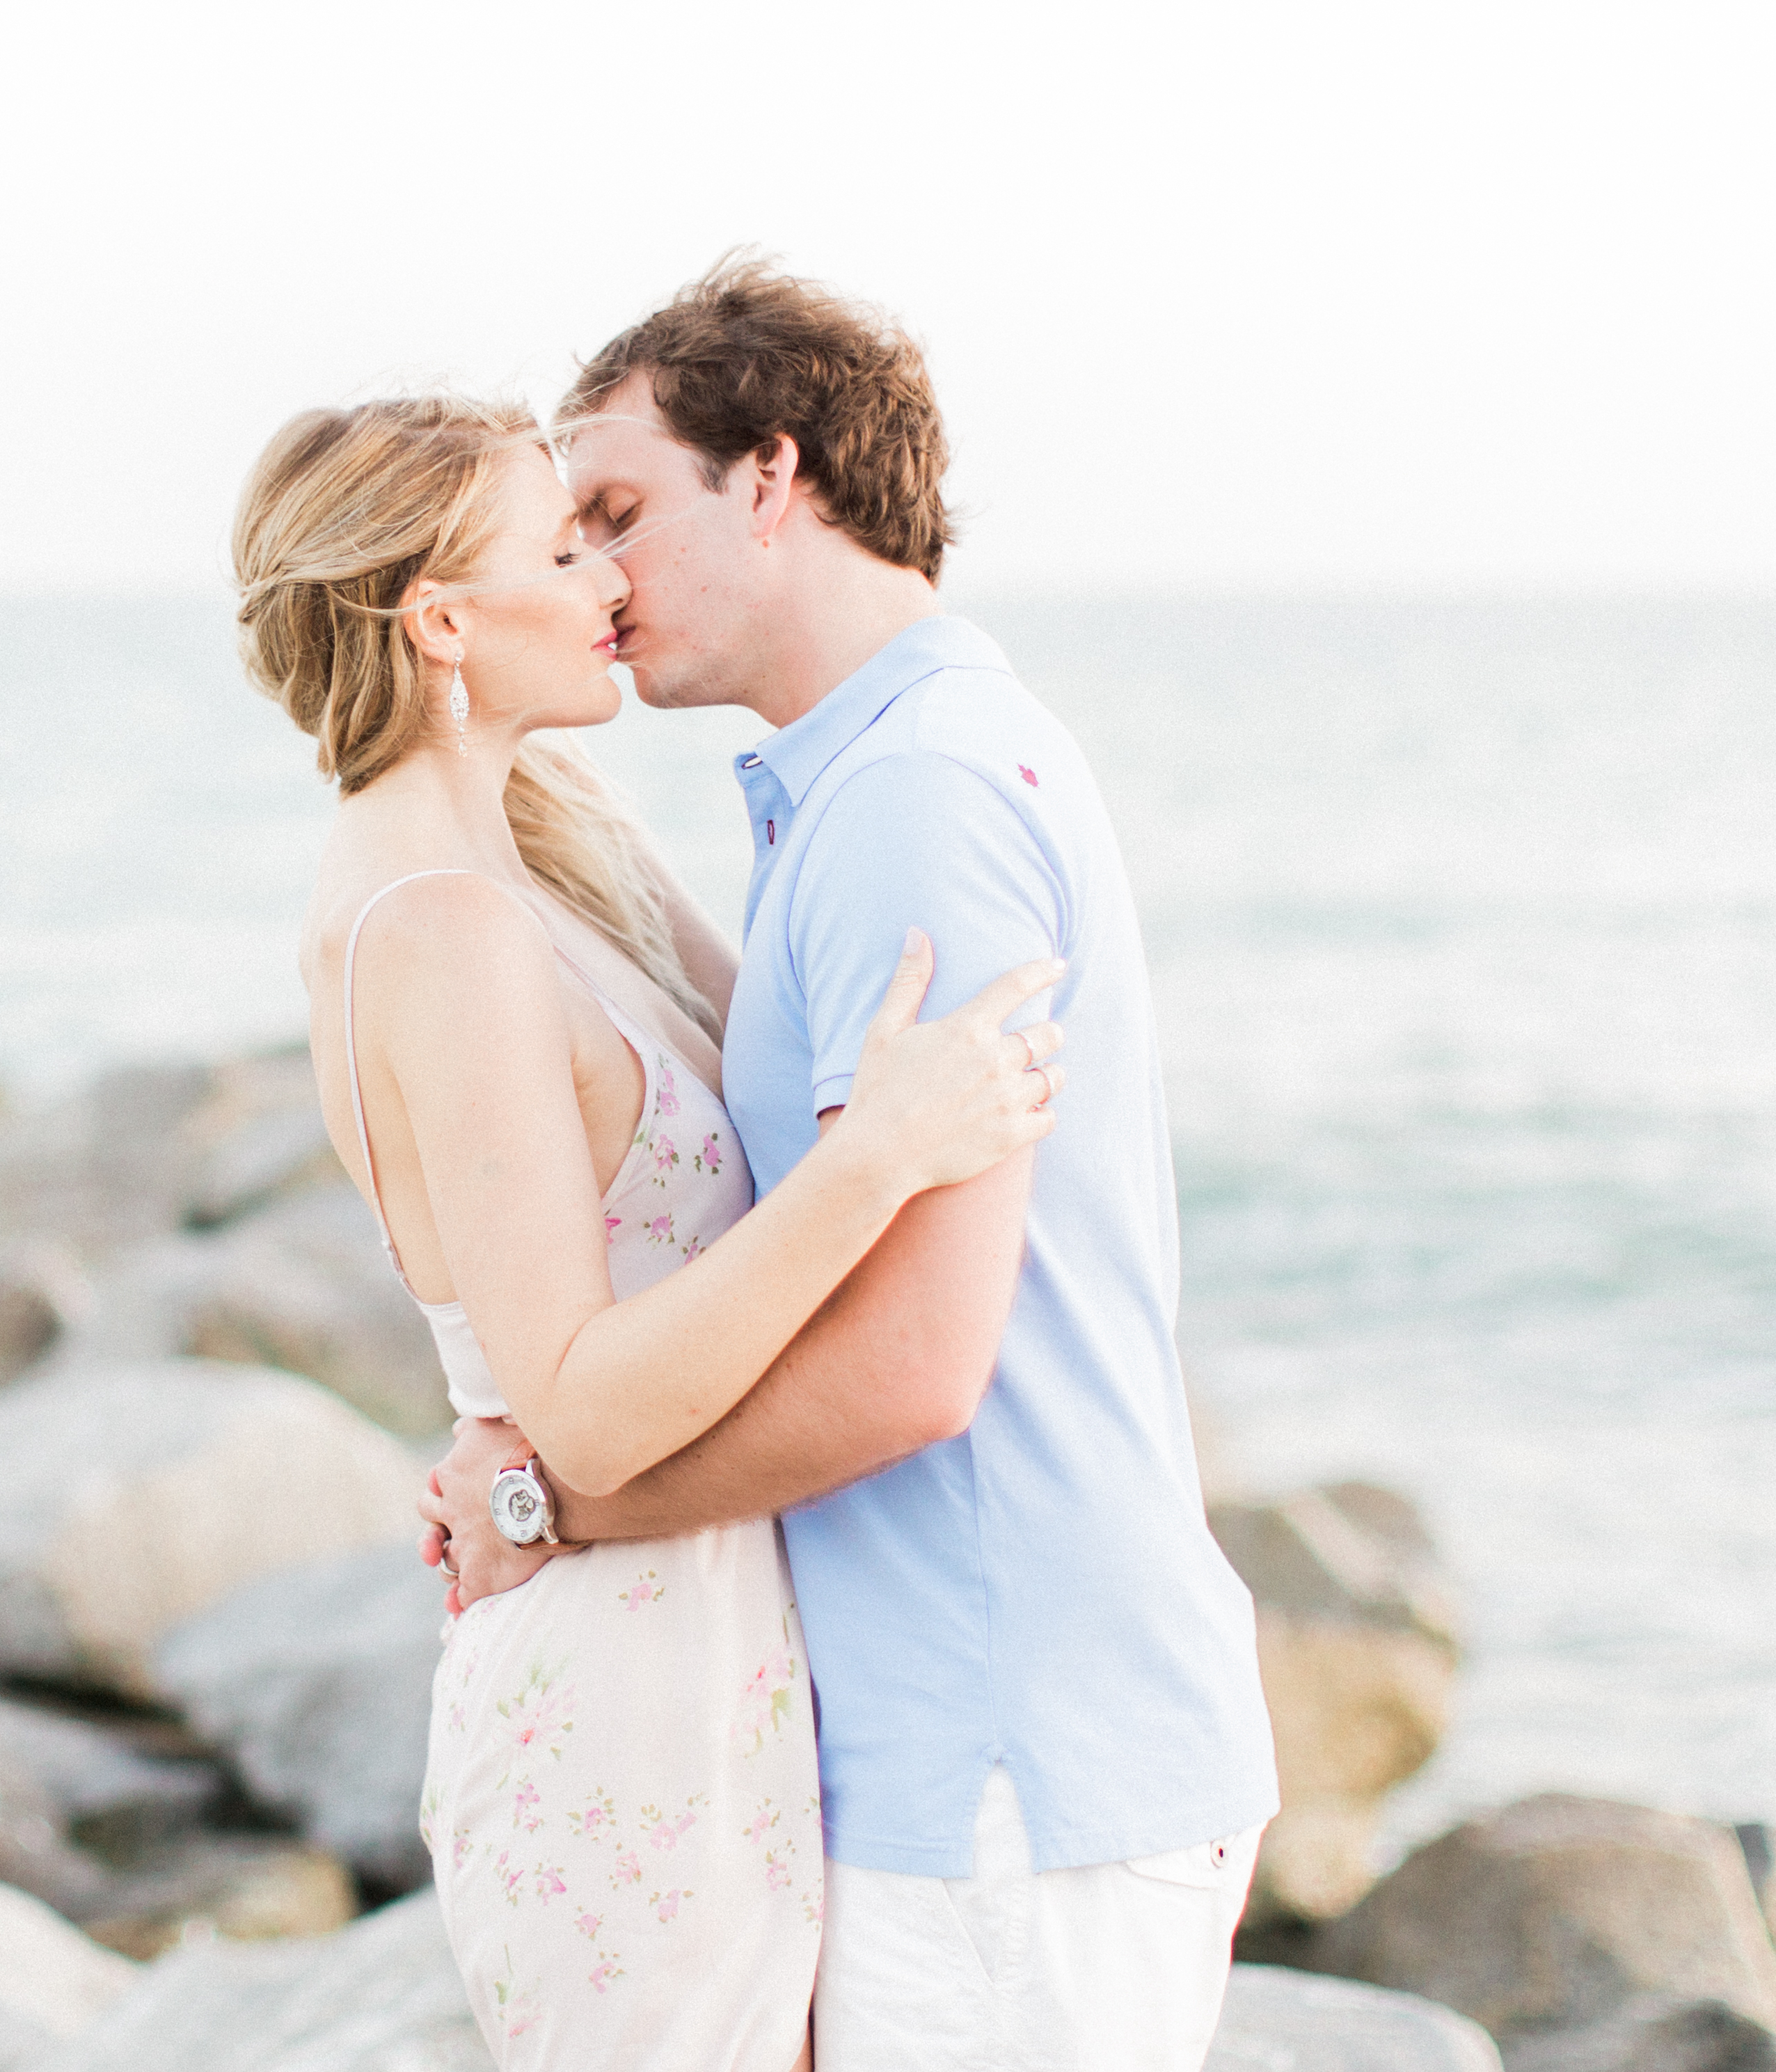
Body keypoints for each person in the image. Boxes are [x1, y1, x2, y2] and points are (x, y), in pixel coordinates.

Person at [421, 255, 1279, 2071]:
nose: (595, 574)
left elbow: (914, 1367)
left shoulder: (914, 805)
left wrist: (551, 1508)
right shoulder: (890, 776)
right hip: (994, 1747)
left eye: (620, 510)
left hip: (1001, 1767)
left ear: (775, 477)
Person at [231, 390, 1065, 2071]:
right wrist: (879, 1159)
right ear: (444, 620)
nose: (607, 576)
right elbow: (587, 1397)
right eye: (561, 546)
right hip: (622, 1707)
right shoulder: (438, 925)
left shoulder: (549, 838)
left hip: (714, 1632)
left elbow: (775, 1081)